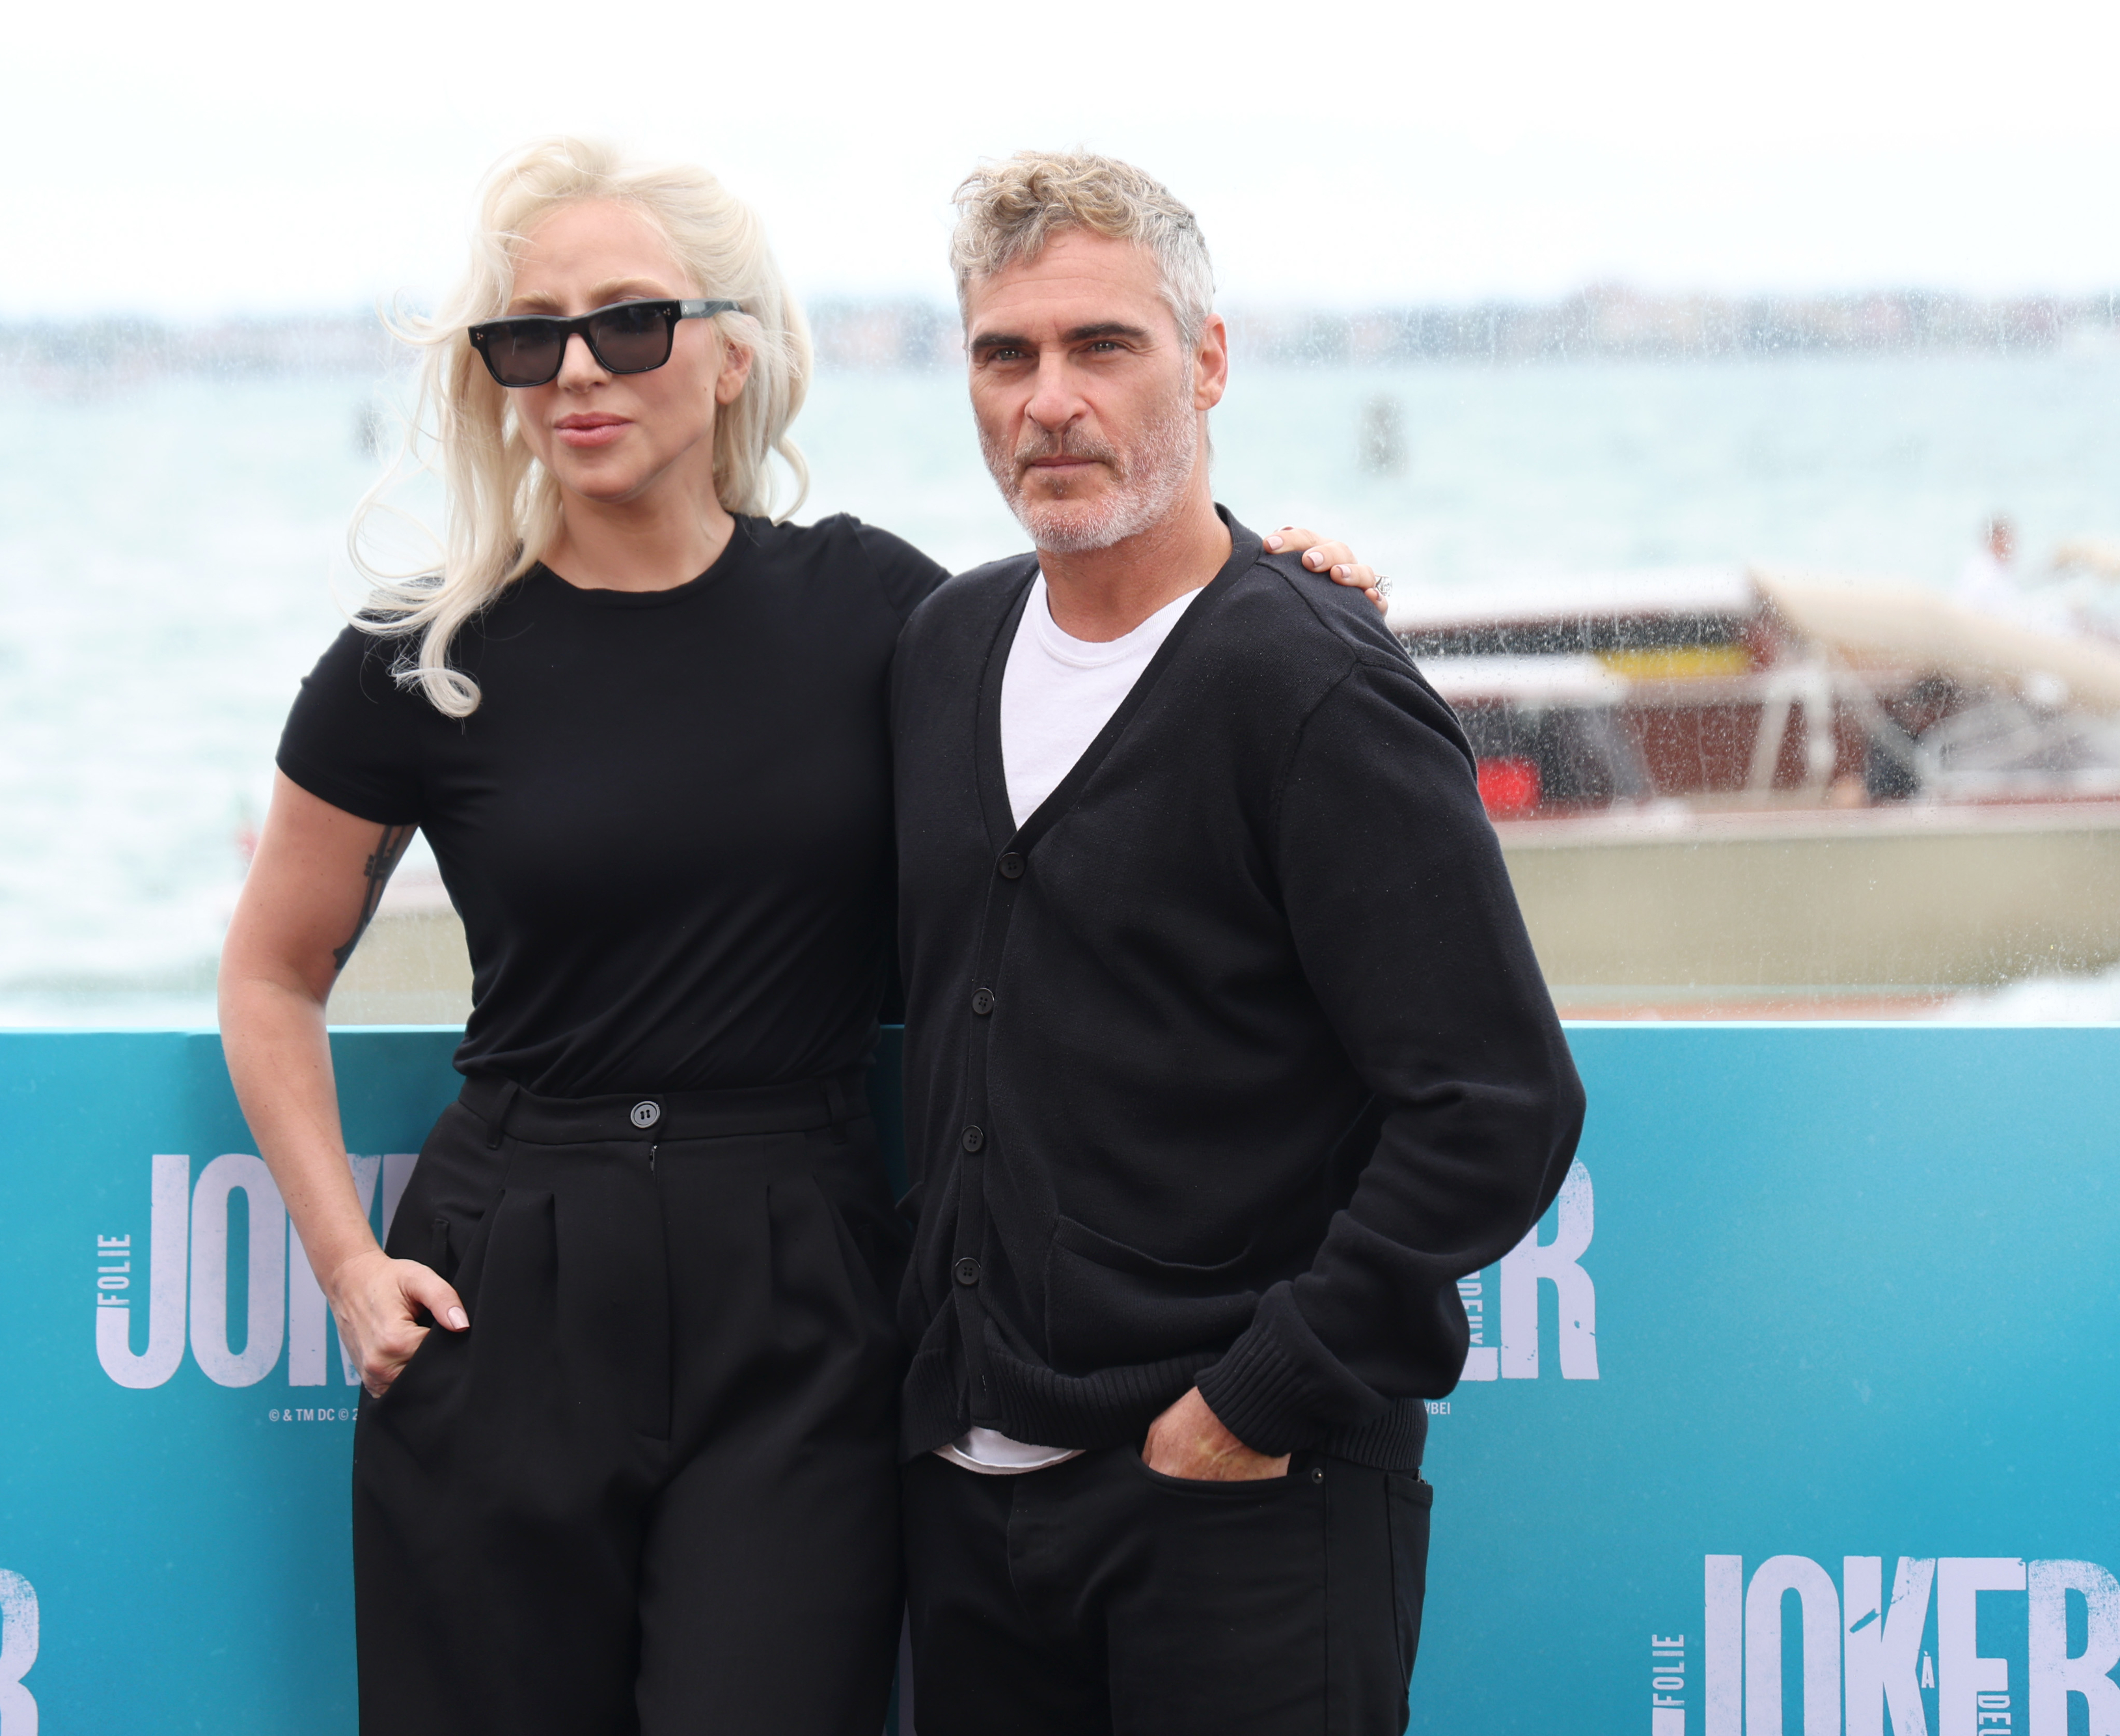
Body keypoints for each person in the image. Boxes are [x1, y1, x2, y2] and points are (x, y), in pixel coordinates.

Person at [215, 137, 1381, 1735]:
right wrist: (345, 1262)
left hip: (805, 1279)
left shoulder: (884, 616)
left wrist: (1280, 575)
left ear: (734, 346)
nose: (575, 370)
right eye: (525, 335)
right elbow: (271, 970)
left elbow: (1113, 643)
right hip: (511, 1274)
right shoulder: (416, 660)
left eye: (627, 322)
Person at [887, 152, 1586, 1736]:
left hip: (1236, 1503)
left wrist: (1253, 1399)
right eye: (1005, 354)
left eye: (1100, 346)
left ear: (1205, 362)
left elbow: (1496, 1102)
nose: (1046, 399)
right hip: (970, 1502)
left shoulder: (1310, 684)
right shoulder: (940, 648)